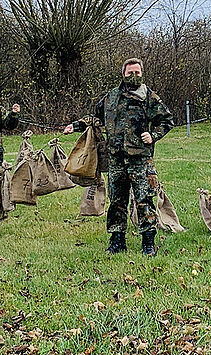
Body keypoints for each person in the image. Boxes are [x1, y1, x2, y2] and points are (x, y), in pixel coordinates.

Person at [64, 58, 174, 256]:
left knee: (144, 200)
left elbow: (167, 120)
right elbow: (96, 118)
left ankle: (148, 242)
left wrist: (153, 135)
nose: (134, 76)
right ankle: (117, 240)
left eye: (137, 73)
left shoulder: (149, 97)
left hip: (140, 159)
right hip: (116, 160)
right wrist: (76, 125)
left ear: (142, 73)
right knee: (116, 201)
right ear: (123, 74)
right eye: (130, 72)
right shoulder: (111, 97)